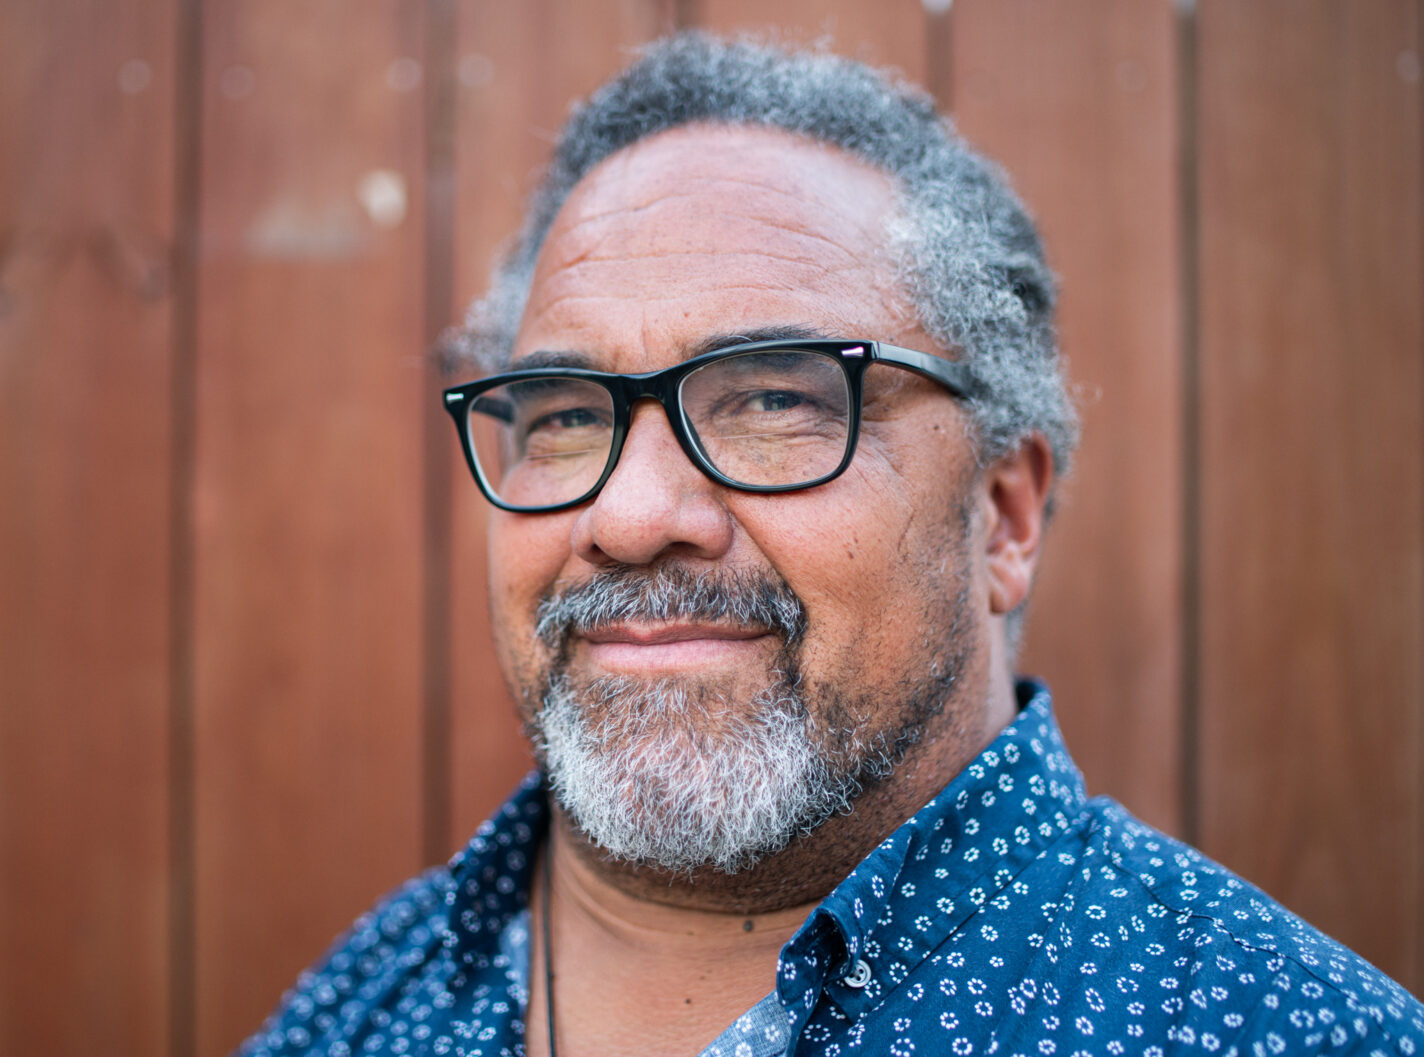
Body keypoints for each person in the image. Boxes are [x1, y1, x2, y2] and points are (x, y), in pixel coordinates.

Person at [240, 33, 1422, 1057]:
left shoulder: (1267, 1024)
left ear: (1002, 514)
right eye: (564, 416)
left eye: (773, 401)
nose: (634, 516)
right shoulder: (351, 1010)